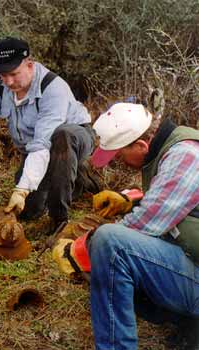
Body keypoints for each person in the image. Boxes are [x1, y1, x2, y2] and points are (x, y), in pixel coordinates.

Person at [0, 37, 98, 232]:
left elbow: (42, 142)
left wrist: (21, 191)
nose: (8, 81)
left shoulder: (53, 88)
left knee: (62, 136)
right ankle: (75, 181)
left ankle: (60, 218)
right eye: (3, 75)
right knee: (29, 211)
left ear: (29, 65)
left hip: (73, 138)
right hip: (36, 150)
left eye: (14, 74)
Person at [88, 102, 199, 349]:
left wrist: (80, 248)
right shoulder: (174, 147)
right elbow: (171, 197)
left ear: (141, 145)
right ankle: (188, 326)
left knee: (110, 243)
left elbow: (146, 223)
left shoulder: (187, 156)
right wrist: (130, 199)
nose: (117, 161)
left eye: (119, 155)